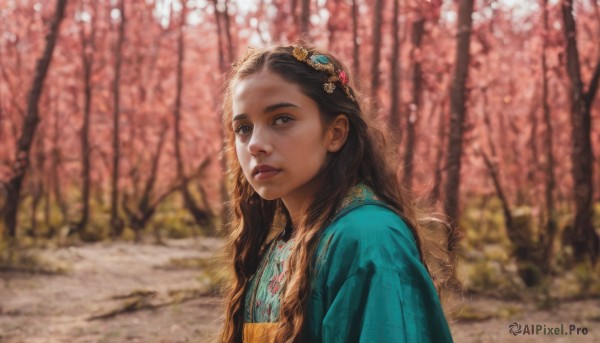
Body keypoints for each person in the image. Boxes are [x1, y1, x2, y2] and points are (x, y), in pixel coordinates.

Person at [219, 45, 453, 343]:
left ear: (336, 133)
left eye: (282, 119)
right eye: (243, 127)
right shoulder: (286, 241)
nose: (255, 144)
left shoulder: (369, 238)